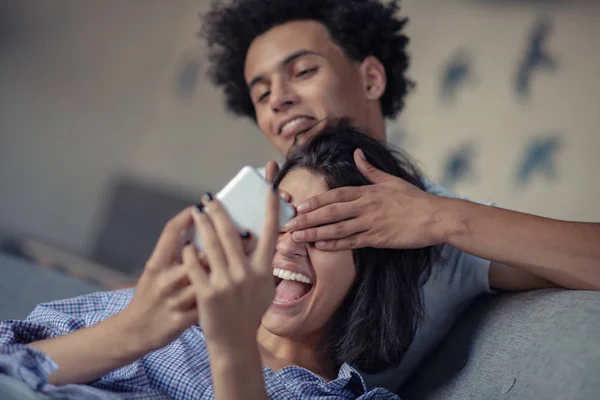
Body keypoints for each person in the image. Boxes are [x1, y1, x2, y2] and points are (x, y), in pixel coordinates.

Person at [200, 0, 600, 388]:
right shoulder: (249, 198)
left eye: (302, 71)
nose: (279, 100)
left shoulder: (446, 233)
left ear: (371, 78)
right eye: (262, 95)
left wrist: (439, 219)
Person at [2, 123, 433, 399]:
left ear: (371, 270)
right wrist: (136, 329)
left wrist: (233, 349)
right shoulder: (154, 307)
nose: (289, 243)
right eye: (279, 218)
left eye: (323, 230)